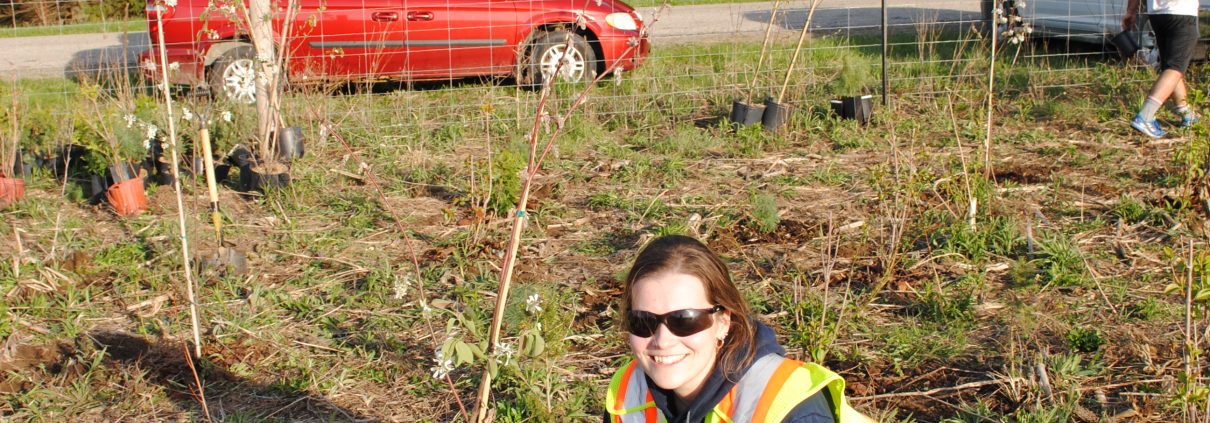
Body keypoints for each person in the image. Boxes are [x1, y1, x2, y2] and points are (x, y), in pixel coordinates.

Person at [605, 235, 873, 423]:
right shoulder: (627, 391)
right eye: (643, 321)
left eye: (684, 320)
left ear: (723, 321)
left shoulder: (789, 405)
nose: (662, 340)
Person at [1125, 0, 1200, 139]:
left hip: (1157, 14)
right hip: (1182, 11)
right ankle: (1145, 117)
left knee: (1169, 65)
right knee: (1175, 68)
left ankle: (1187, 115)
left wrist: (1130, 11)